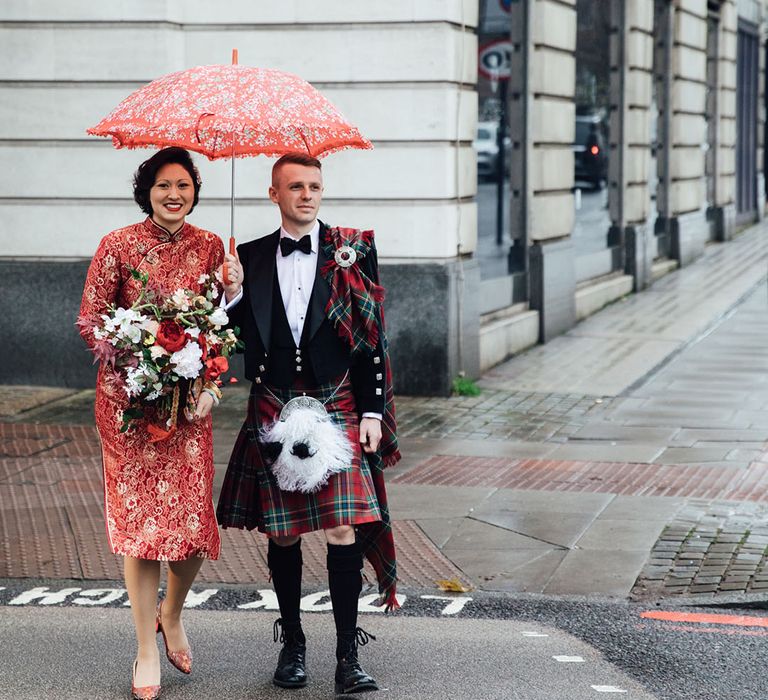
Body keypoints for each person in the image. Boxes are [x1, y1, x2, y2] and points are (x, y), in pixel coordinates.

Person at [216, 153, 401, 695]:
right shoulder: (245, 256)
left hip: (337, 402)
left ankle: (348, 656)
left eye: (314, 186)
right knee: (284, 530)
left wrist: (371, 412)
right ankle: (292, 644)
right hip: (274, 402)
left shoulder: (352, 250)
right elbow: (228, 339)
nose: (307, 195)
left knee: (343, 527)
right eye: (295, 186)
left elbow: (371, 338)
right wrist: (230, 296)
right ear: (273, 193)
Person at [78, 147, 233, 700]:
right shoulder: (117, 245)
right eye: (164, 185)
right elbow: (90, 319)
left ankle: (173, 612)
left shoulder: (213, 247)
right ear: (147, 191)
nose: (175, 194)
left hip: (189, 410)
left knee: (191, 532)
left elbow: (218, 329)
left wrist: (212, 382)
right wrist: (138, 362)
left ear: (195, 190)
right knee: (142, 536)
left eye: (184, 185)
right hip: (130, 410)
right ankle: (147, 648)